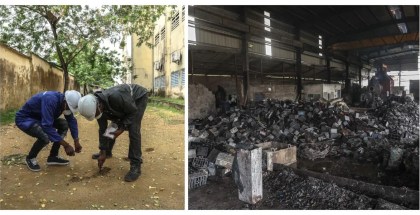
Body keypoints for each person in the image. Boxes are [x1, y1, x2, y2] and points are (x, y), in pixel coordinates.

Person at [78, 84, 148, 182]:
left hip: (138, 97)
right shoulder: (96, 107)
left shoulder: (116, 96)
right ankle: (107, 152)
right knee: (111, 129)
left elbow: (132, 112)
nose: (97, 116)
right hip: (124, 104)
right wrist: (103, 151)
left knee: (133, 130)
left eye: (96, 114)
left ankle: (136, 165)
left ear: (99, 105)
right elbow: (103, 129)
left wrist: (121, 128)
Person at [15, 90, 83, 172]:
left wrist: (76, 140)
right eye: (69, 108)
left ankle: (53, 157)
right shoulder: (50, 99)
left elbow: (71, 120)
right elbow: (47, 126)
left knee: (64, 124)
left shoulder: (64, 102)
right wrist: (66, 145)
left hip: (41, 119)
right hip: (26, 119)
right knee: (45, 136)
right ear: (65, 101)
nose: (69, 110)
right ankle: (30, 158)